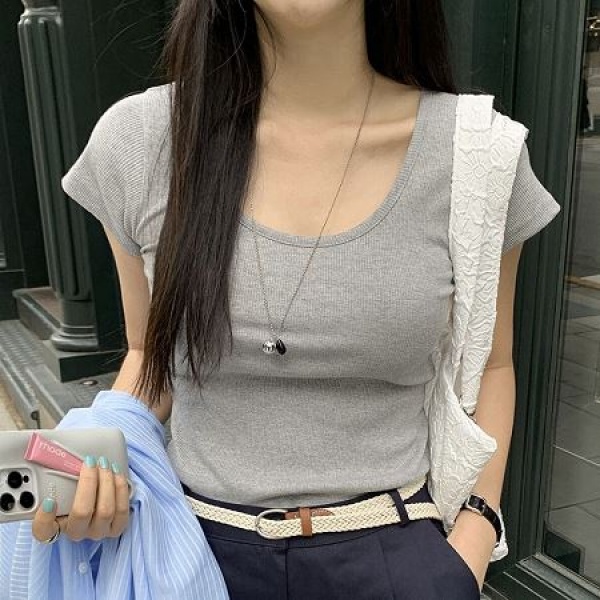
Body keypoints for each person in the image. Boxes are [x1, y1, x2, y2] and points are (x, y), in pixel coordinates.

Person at [32, 1, 561, 598]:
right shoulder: (142, 140)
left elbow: (492, 364)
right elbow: (146, 356)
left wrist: (474, 537)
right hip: (191, 558)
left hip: (394, 554)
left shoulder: (477, 154)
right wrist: (79, 471)